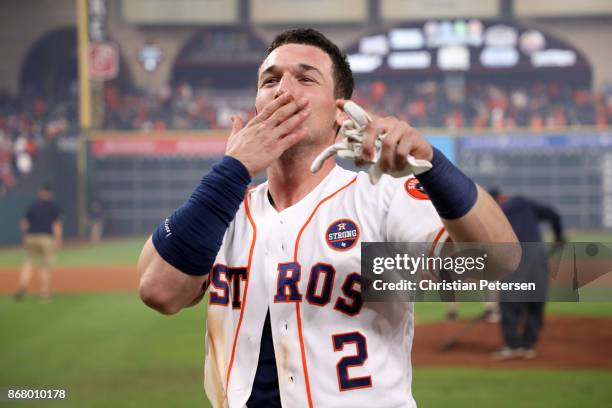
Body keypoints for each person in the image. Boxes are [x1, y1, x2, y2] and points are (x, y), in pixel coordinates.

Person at [137, 28, 518, 408]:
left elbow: (499, 262)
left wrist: (433, 166)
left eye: (305, 78)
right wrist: (233, 169)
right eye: (270, 80)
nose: (283, 91)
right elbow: (159, 291)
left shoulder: (378, 196)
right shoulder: (222, 210)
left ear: (341, 112)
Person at [489, 188, 565, 360]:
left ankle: (512, 345)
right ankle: (527, 345)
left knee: (509, 301)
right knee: (535, 301)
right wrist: (559, 236)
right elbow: (554, 214)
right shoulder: (525, 203)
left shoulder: (497, 212)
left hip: (515, 256)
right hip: (538, 256)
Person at [14, 184, 62, 302]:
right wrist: (58, 239)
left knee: (29, 263)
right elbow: (56, 224)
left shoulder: (32, 205)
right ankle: (44, 293)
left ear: (40, 192)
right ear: (50, 193)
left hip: (31, 236)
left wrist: (24, 237)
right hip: (46, 237)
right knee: (45, 266)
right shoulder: (53, 206)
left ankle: (23, 286)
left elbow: (24, 223)